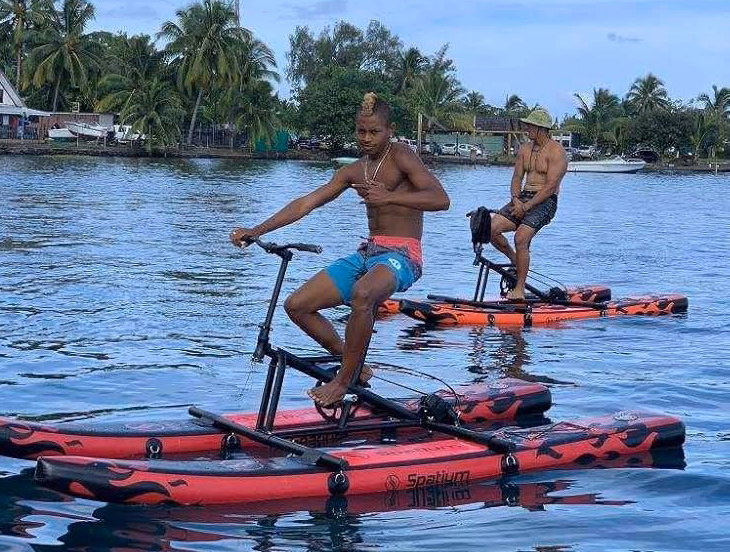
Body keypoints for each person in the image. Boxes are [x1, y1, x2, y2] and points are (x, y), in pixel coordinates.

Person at [230, 93, 450, 407]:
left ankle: (343, 380)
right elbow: (306, 203)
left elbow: (441, 199)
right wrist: (256, 230)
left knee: (363, 294)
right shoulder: (355, 170)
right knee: (298, 306)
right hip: (368, 253)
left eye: (374, 132)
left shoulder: (402, 155)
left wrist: (388, 198)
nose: (367, 138)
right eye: (361, 131)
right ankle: (355, 366)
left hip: (403, 256)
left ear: (389, 130)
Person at [490, 107, 568, 300]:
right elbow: (517, 177)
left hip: (545, 201)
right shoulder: (524, 149)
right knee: (490, 228)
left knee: (521, 238)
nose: (527, 128)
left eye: (530, 125)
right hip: (523, 197)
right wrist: (516, 200)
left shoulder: (557, 152)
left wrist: (526, 207)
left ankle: (519, 290)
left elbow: (550, 187)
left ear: (541, 128)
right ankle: (513, 258)